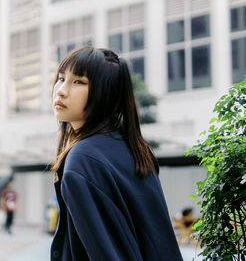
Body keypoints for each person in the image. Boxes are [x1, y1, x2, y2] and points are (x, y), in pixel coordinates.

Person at [50, 46, 183, 260]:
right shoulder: (132, 148)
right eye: (61, 78)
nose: (61, 90)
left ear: (106, 93)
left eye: (79, 82)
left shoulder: (83, 160)